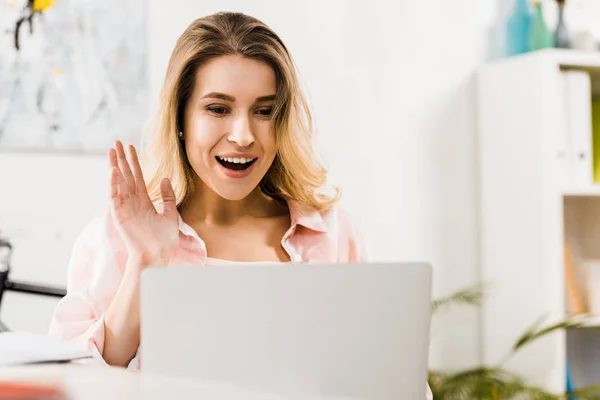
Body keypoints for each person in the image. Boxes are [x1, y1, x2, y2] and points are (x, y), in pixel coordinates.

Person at [48, 11, 432, 399]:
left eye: (264, 111)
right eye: (218, 109)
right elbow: (69, 386)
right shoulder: (118, 239)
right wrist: (145, 266)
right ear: (180, 118)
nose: (244, 135)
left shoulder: (333, 234)